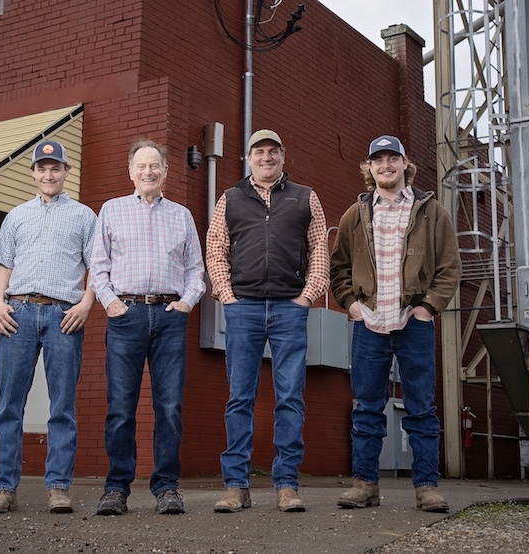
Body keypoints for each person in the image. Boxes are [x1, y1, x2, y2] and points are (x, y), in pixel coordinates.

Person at [330, 135, 461, 513]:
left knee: (421, 407)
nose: (385, 166)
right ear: (369, 168)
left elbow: (449, 268)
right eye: (378, 160)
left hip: (413, 322)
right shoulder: (355, 215)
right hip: (369, 324)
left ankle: (426, 487)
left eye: (392, 158)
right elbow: (339, 269)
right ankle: (365, 484)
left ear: (405, 163)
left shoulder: (431, 211)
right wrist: (353, 306)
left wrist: (428, 308)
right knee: (367, 407)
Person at [206, 129, 329, 513]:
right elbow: (215, 249)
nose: (266, 157)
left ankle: (287, 485)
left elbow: (320, 248)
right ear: (248, 159)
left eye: (272, 151)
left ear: (283, 156)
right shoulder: (230, 198)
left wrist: (307, 296)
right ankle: (236, 486)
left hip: (289, 310)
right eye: (259, 152)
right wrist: (227, 296)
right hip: (243, 308)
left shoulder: (305, 197)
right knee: (239, 398)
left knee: (290, 398)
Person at [0, 140, 96, 515]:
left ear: (66, 173)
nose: (49, 174)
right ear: (33, 173)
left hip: (65, 315)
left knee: (62, 406)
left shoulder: (83, 216)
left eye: (56, 168)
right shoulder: (16, 216)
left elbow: (99, 266)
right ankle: (2, 489)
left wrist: (86, 304)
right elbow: (3, 265)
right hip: (19, 313)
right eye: (42, 168)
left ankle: (58, 488)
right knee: (9, 405)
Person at [90, 139, 205, 516]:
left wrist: (186, 302)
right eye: (142, 166)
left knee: (169, 407)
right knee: (121, 407)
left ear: (166, 171)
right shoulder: (112, 210)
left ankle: (167, 487)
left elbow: (195, 270)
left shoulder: (182, 215)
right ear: (131, 172)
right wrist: (112, 304)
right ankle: (116, 488)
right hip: (127, 316)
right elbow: (98, 266)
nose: (148, 172)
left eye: (155, 165)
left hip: (170, 317)